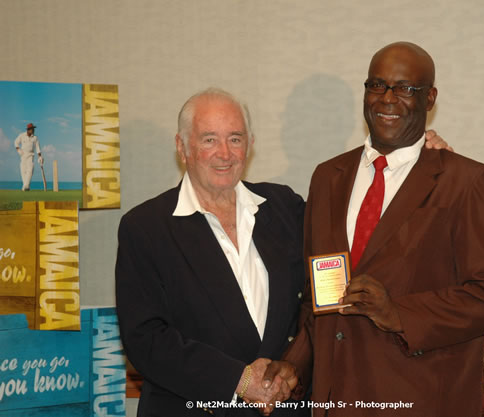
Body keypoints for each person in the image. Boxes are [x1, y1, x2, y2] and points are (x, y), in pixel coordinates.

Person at [115, 87, 452, 416]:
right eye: (208, 140)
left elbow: (356, 246)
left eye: (235, 139)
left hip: (287, 407)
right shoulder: (145, 228)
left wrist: (414, 166)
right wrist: (238, 380)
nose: (225, 153)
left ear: (250, 145)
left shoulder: (283, 208)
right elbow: (145, 339)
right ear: (181, 146)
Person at [267, 42, 484, 417]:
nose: (387, 99)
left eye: (405, 88)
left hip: (423, 401)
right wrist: (294, 364)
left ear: (430, 98)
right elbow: (321, 293)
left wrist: (400, 313)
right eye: (377, 85)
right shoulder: (328, 177)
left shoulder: (467, 181)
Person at [14, 123, 43, 191]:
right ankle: (26, 187)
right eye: (32, 129)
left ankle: (26, 185)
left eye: (33, 129)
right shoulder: (22, 135)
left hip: (31, 155)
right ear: (28, 129)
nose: (33, 130)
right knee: (23, 171)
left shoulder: (35, 138)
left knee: (30, 169)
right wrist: (18, 149)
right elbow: (16, 142)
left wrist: (40, 157)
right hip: (23, 155)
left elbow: (37, 147)